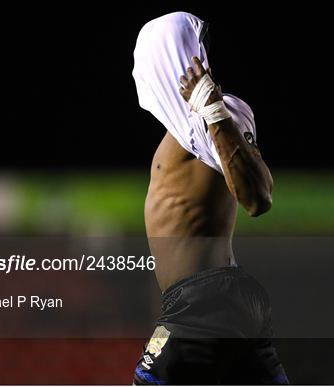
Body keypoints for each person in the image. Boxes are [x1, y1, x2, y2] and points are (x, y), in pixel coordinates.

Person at [132, 12, 288, 384]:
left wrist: (213, 109)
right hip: (216, 300)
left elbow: (258, 198)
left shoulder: (218, 114)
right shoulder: (184, 130)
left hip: (202, 304)